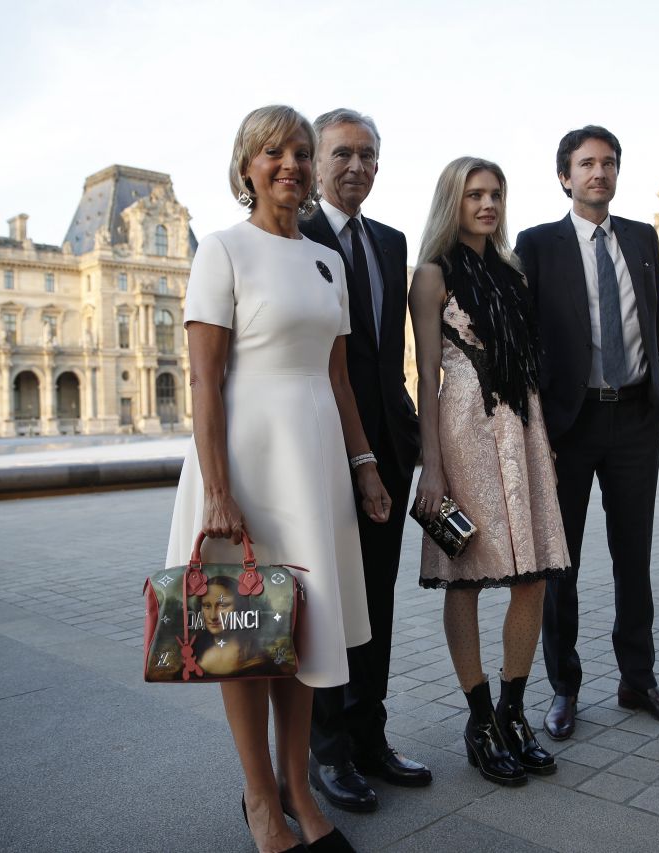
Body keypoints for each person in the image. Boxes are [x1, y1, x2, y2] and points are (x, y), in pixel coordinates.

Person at [165, 104, 390, 853]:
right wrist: (219, 491)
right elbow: (204, 380)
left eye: (300, 150)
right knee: (245, 635)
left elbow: (340, 379)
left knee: (302, 632)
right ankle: (261, 799)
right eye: (273, 152)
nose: (290, 164)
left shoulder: (328, 261)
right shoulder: (221, 250)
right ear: (246, 167)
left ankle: (300, 786)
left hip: (316, 461)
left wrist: (364, 467)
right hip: (248, 463)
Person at [515, 125, 659, 742]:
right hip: (572, 423)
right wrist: (539, 422)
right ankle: (565, 688)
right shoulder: (538, 244)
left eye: (609, 163)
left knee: (634, 557)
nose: (600, 173)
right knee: (563, 563)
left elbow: (657, 323)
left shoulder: (643, 239)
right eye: (587, 164)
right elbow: (525, 342)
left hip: (635, 419)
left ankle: (638, 681)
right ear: (565, 176)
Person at [409, 157, 570, 786]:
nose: (487, 205)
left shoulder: (513, 274)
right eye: (475, 194)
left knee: (534, 577)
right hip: (464, 434)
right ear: (453, 200)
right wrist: (433, 468)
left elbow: (530, 364)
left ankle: (512, 712)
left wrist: (546, 443)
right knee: (467, 580)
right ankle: (478, 721)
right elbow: (426, 375)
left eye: (496, 194)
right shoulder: (430, 275)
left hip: (522, 431)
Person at [299, 108, 429, 812]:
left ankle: (370, 733)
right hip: (320, 444)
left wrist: (404, 438)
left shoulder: (390, 240)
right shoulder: (295, 230)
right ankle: (329, 750)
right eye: (343, 153)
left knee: (375, 599)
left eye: (369, 155)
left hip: (388, 441)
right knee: (328, 599)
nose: (357, 166)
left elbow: (387, 355)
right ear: (316, 161)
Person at [192, 576, 261, 677]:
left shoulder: (255, 657)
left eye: (222, 605)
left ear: (240, 607)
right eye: (207, 606)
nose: (213, 616)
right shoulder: (194, 650)